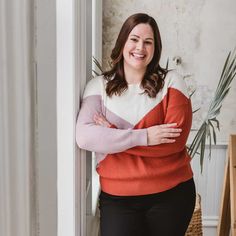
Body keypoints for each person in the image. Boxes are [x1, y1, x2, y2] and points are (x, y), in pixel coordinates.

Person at [76, 13, 196, 236]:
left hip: (172, 196)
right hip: (118, 201)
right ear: (123, 41)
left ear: (155, 48)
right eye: (134, 39)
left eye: (148, 42)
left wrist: (113, 135)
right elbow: (85, 137)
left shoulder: (172, 82)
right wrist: (146, 136)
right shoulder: (98, 87)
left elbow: (174, 143)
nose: (140, 47)